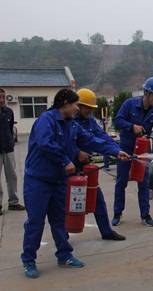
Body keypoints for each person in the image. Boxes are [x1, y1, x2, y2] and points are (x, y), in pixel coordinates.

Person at [21, 89, 130, 279]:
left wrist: (116, 151)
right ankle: (28, 259)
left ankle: (64, 255)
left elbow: (92, 139)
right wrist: (65, 161)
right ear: (65, 103)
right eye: (75, 105)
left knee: (59, 221)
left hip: (58, 181)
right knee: (36, 222)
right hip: (38, 180)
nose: (77, 109)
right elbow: (45, 143)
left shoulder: (72, 125)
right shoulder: (46, 120)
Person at [112, 77, 153, 228]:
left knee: (143, 183)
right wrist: (131, 126)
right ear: (146, 92)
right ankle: (117, 213)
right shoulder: (129, 104)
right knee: (121, 182)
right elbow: (118, 121)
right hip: (126, 149)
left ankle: (145, 215)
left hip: (143, 151)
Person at [74, 88, 126, 241]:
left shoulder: (89, 121)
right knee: (69, 200)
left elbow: (102, 137)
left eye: (91, 108)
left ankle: (106, 231)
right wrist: (78, 152)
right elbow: (65, 143)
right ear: (78, 105)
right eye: (87, 107)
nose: (90, 111)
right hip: (70, 166)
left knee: (97, 198)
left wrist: (117, 151)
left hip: (86, 167)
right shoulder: (70, 121)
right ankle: (63, 236)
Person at [0, 88, 24, 214]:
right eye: (0, 97)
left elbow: (10, 129)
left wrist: (10, 142)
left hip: (8, 148)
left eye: (3, 97)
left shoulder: (8, 112)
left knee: (12, 176)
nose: (2, 100)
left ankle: (13, 202)